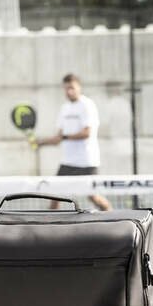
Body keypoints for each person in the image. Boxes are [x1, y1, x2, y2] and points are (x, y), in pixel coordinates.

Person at [38, 73, 111, 211]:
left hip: (87, 162)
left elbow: (87, 133)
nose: (69, 91)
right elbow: (59, 137)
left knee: (93, 197)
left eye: (72, 87)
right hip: (68, 162)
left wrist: (65, 137)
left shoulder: (87, 105)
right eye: (66, 88)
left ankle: (115, 218)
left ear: (79, 87)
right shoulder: (64, 108)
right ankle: (50, 224)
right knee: (54, 195)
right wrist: (41, 142)